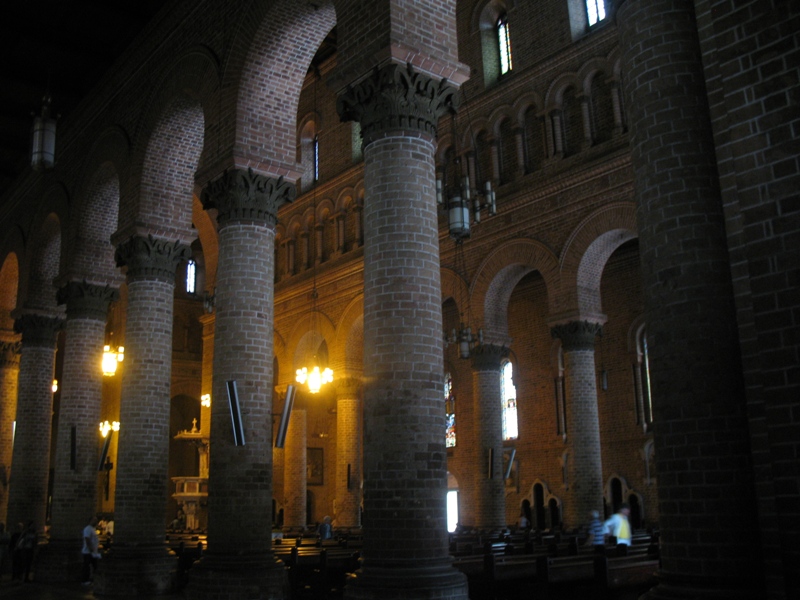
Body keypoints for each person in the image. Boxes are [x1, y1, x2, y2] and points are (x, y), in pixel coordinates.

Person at [81, 516, 100, 585]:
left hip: (93, 551)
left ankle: (93, 579)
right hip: (88, 551)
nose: (96, 521)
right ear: (90, 521)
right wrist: (90, 548)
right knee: (87, 566)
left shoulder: (93, 529)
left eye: (96, 520)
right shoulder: (88, 529)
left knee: (94, 565)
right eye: (94, 520)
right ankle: (85, 580)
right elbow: (87, 539)